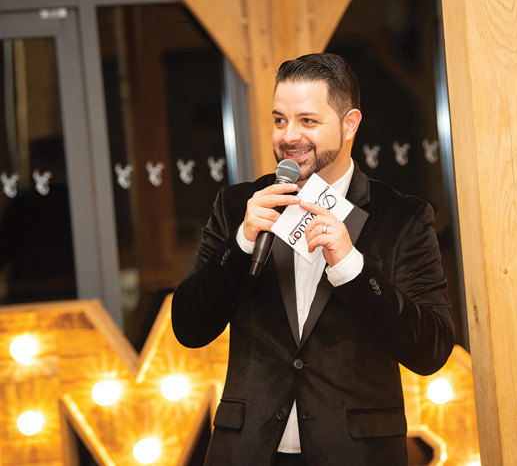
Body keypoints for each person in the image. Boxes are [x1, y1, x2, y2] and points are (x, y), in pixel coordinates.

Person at [172, 53, 454, 466]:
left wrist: (351, 267)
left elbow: (430, 348)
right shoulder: (238, 206)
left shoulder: (402, 217)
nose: (289, 136)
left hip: (356, 454)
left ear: (349, 124)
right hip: (249, 451)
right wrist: (243, 241)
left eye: (308, 121)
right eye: (280, 120)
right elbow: (189, 327)